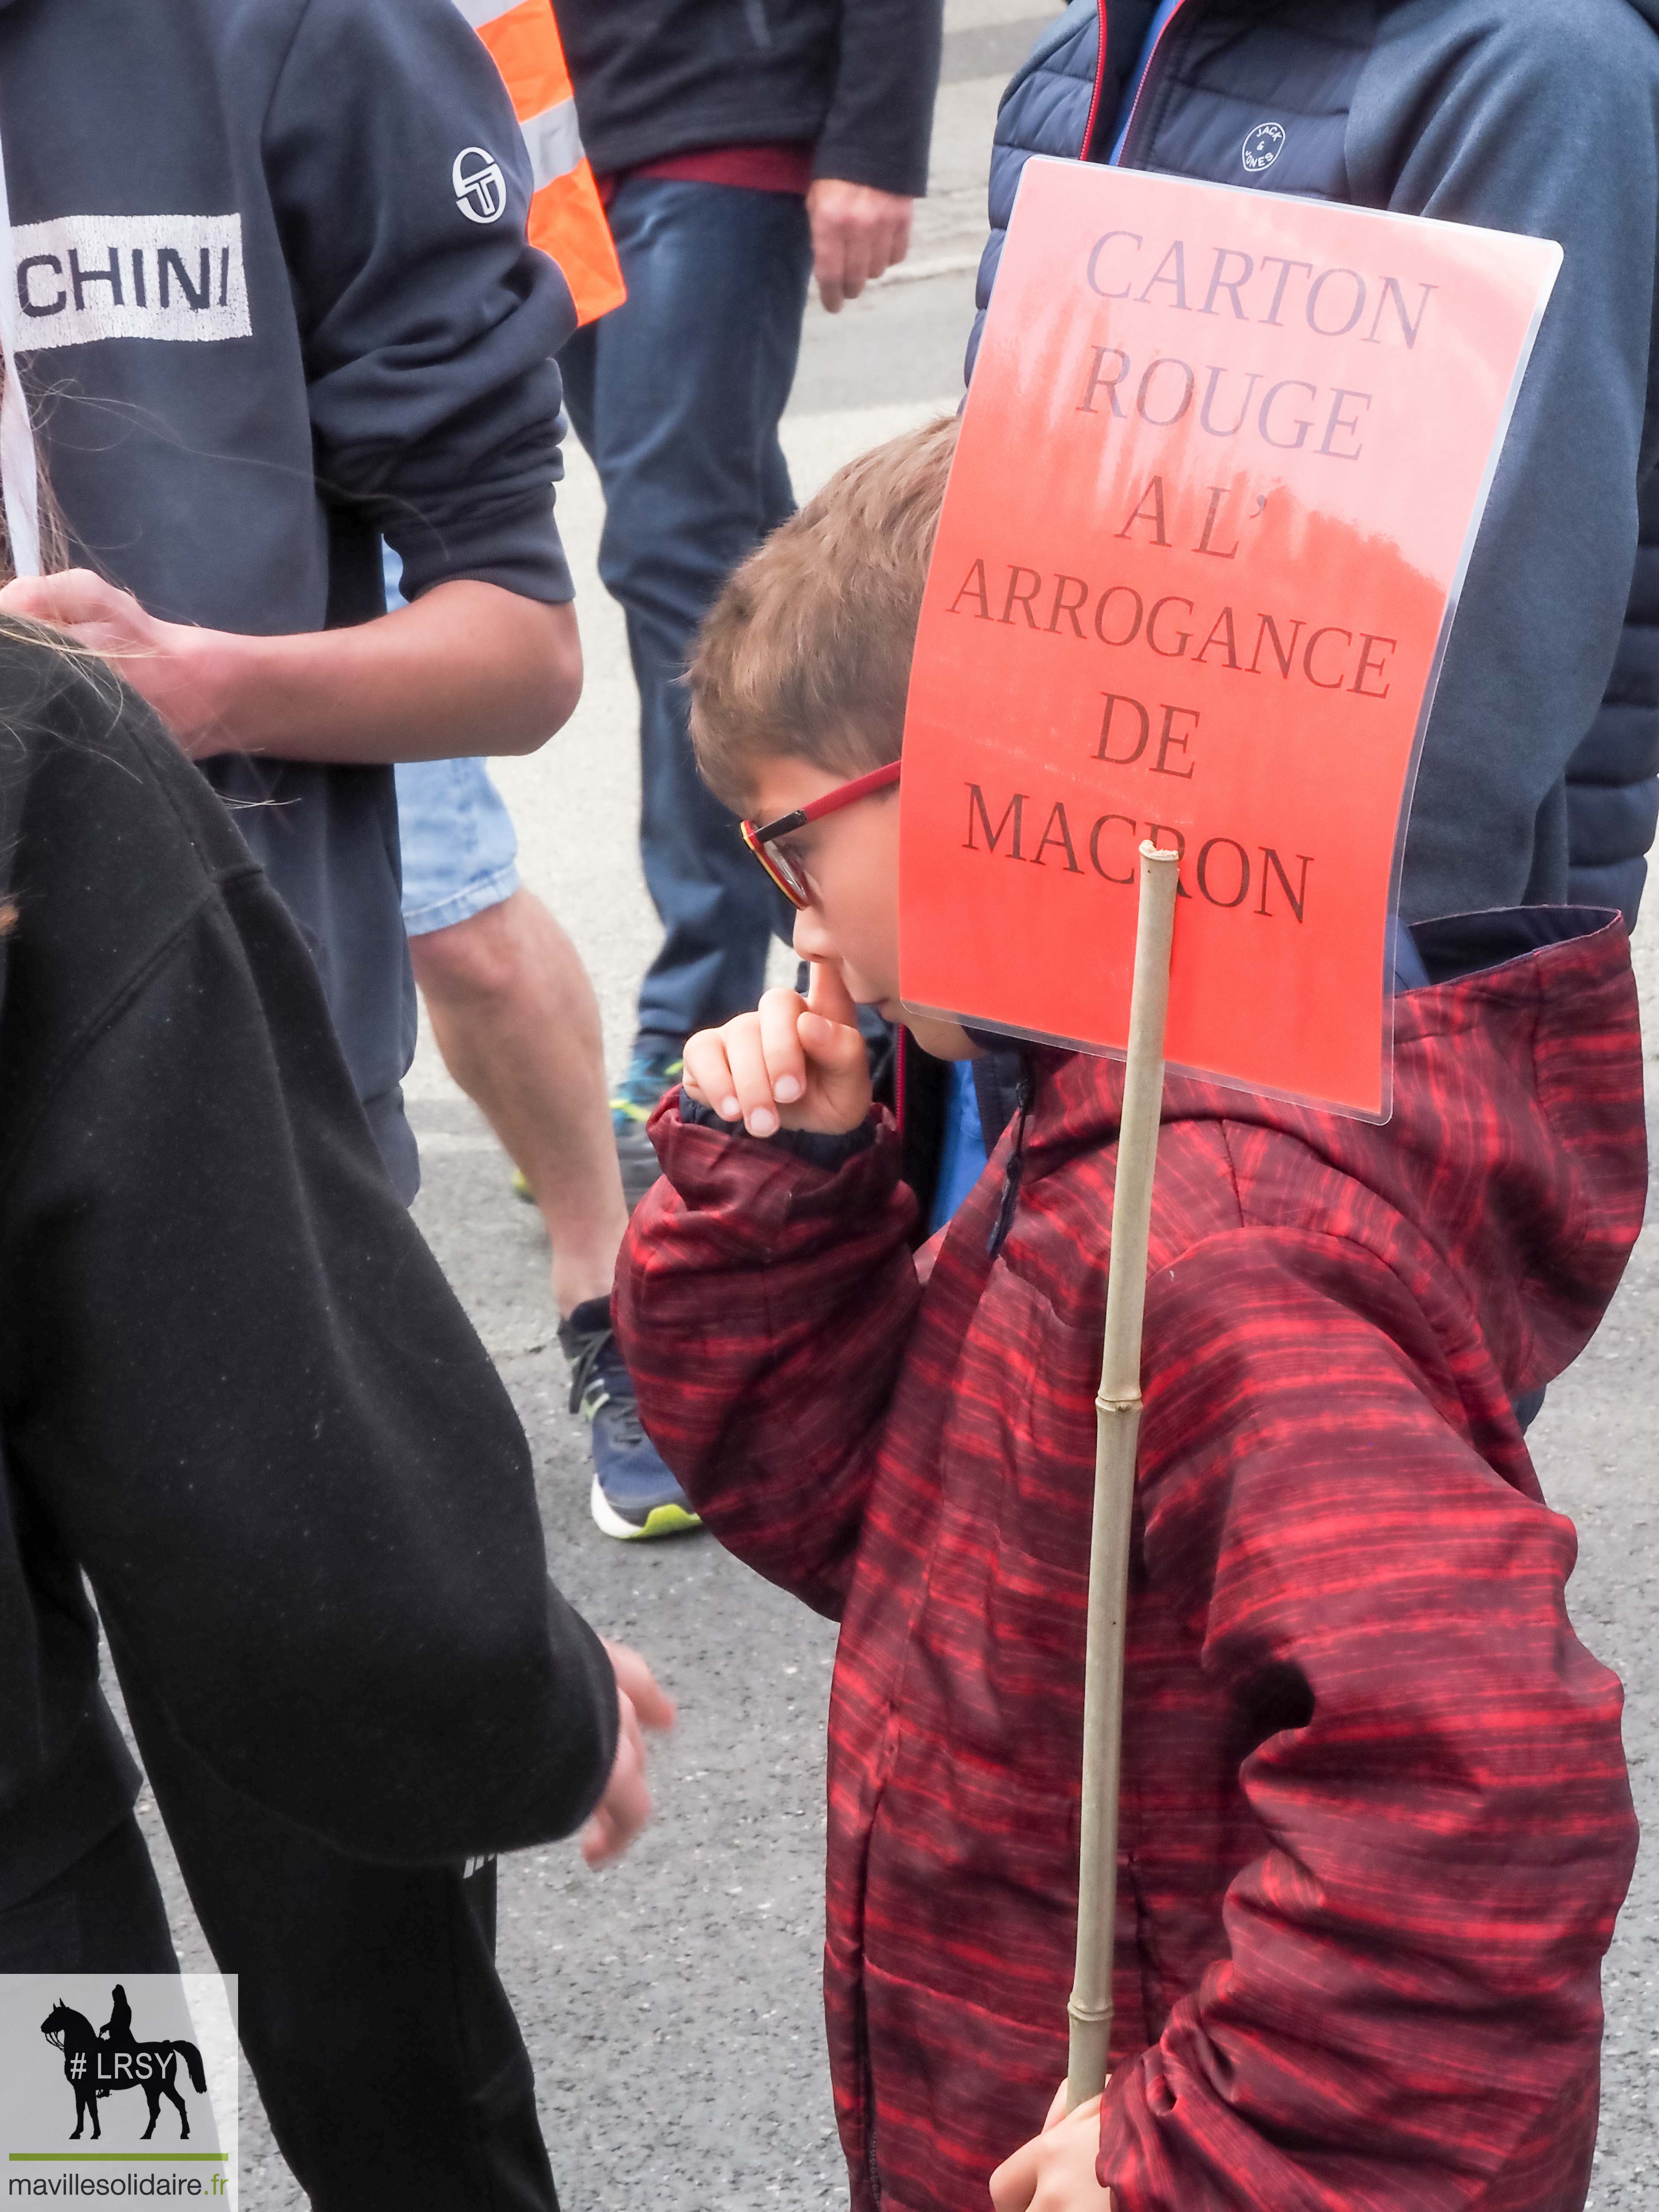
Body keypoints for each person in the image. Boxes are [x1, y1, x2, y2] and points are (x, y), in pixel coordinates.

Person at [611, 420, 1648, 2212]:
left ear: (977, 790)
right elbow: (875, 1524)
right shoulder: (1082, 1140)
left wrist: (1214, 2156)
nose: (801, 935)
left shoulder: (1217, 1228)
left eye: (791, 852)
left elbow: (1473, 1787)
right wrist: (781, 1195)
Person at [0, 623, 672, 2205]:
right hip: (31, 1898)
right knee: (106, 2155)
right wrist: (531, 1690)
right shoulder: (33, 747)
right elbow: (274, 1514)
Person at [0, 0, 587, 1207]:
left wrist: (199, 689)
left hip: (222, 1107)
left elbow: (524, 651)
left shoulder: (302, 31)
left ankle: (601, 1281)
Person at [550, 0, 944, 1201]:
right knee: (747, 585)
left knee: (674, 549)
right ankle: (863, 989)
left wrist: (872, 141)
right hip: (558, 148)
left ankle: (698, 1015)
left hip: (722, 116)